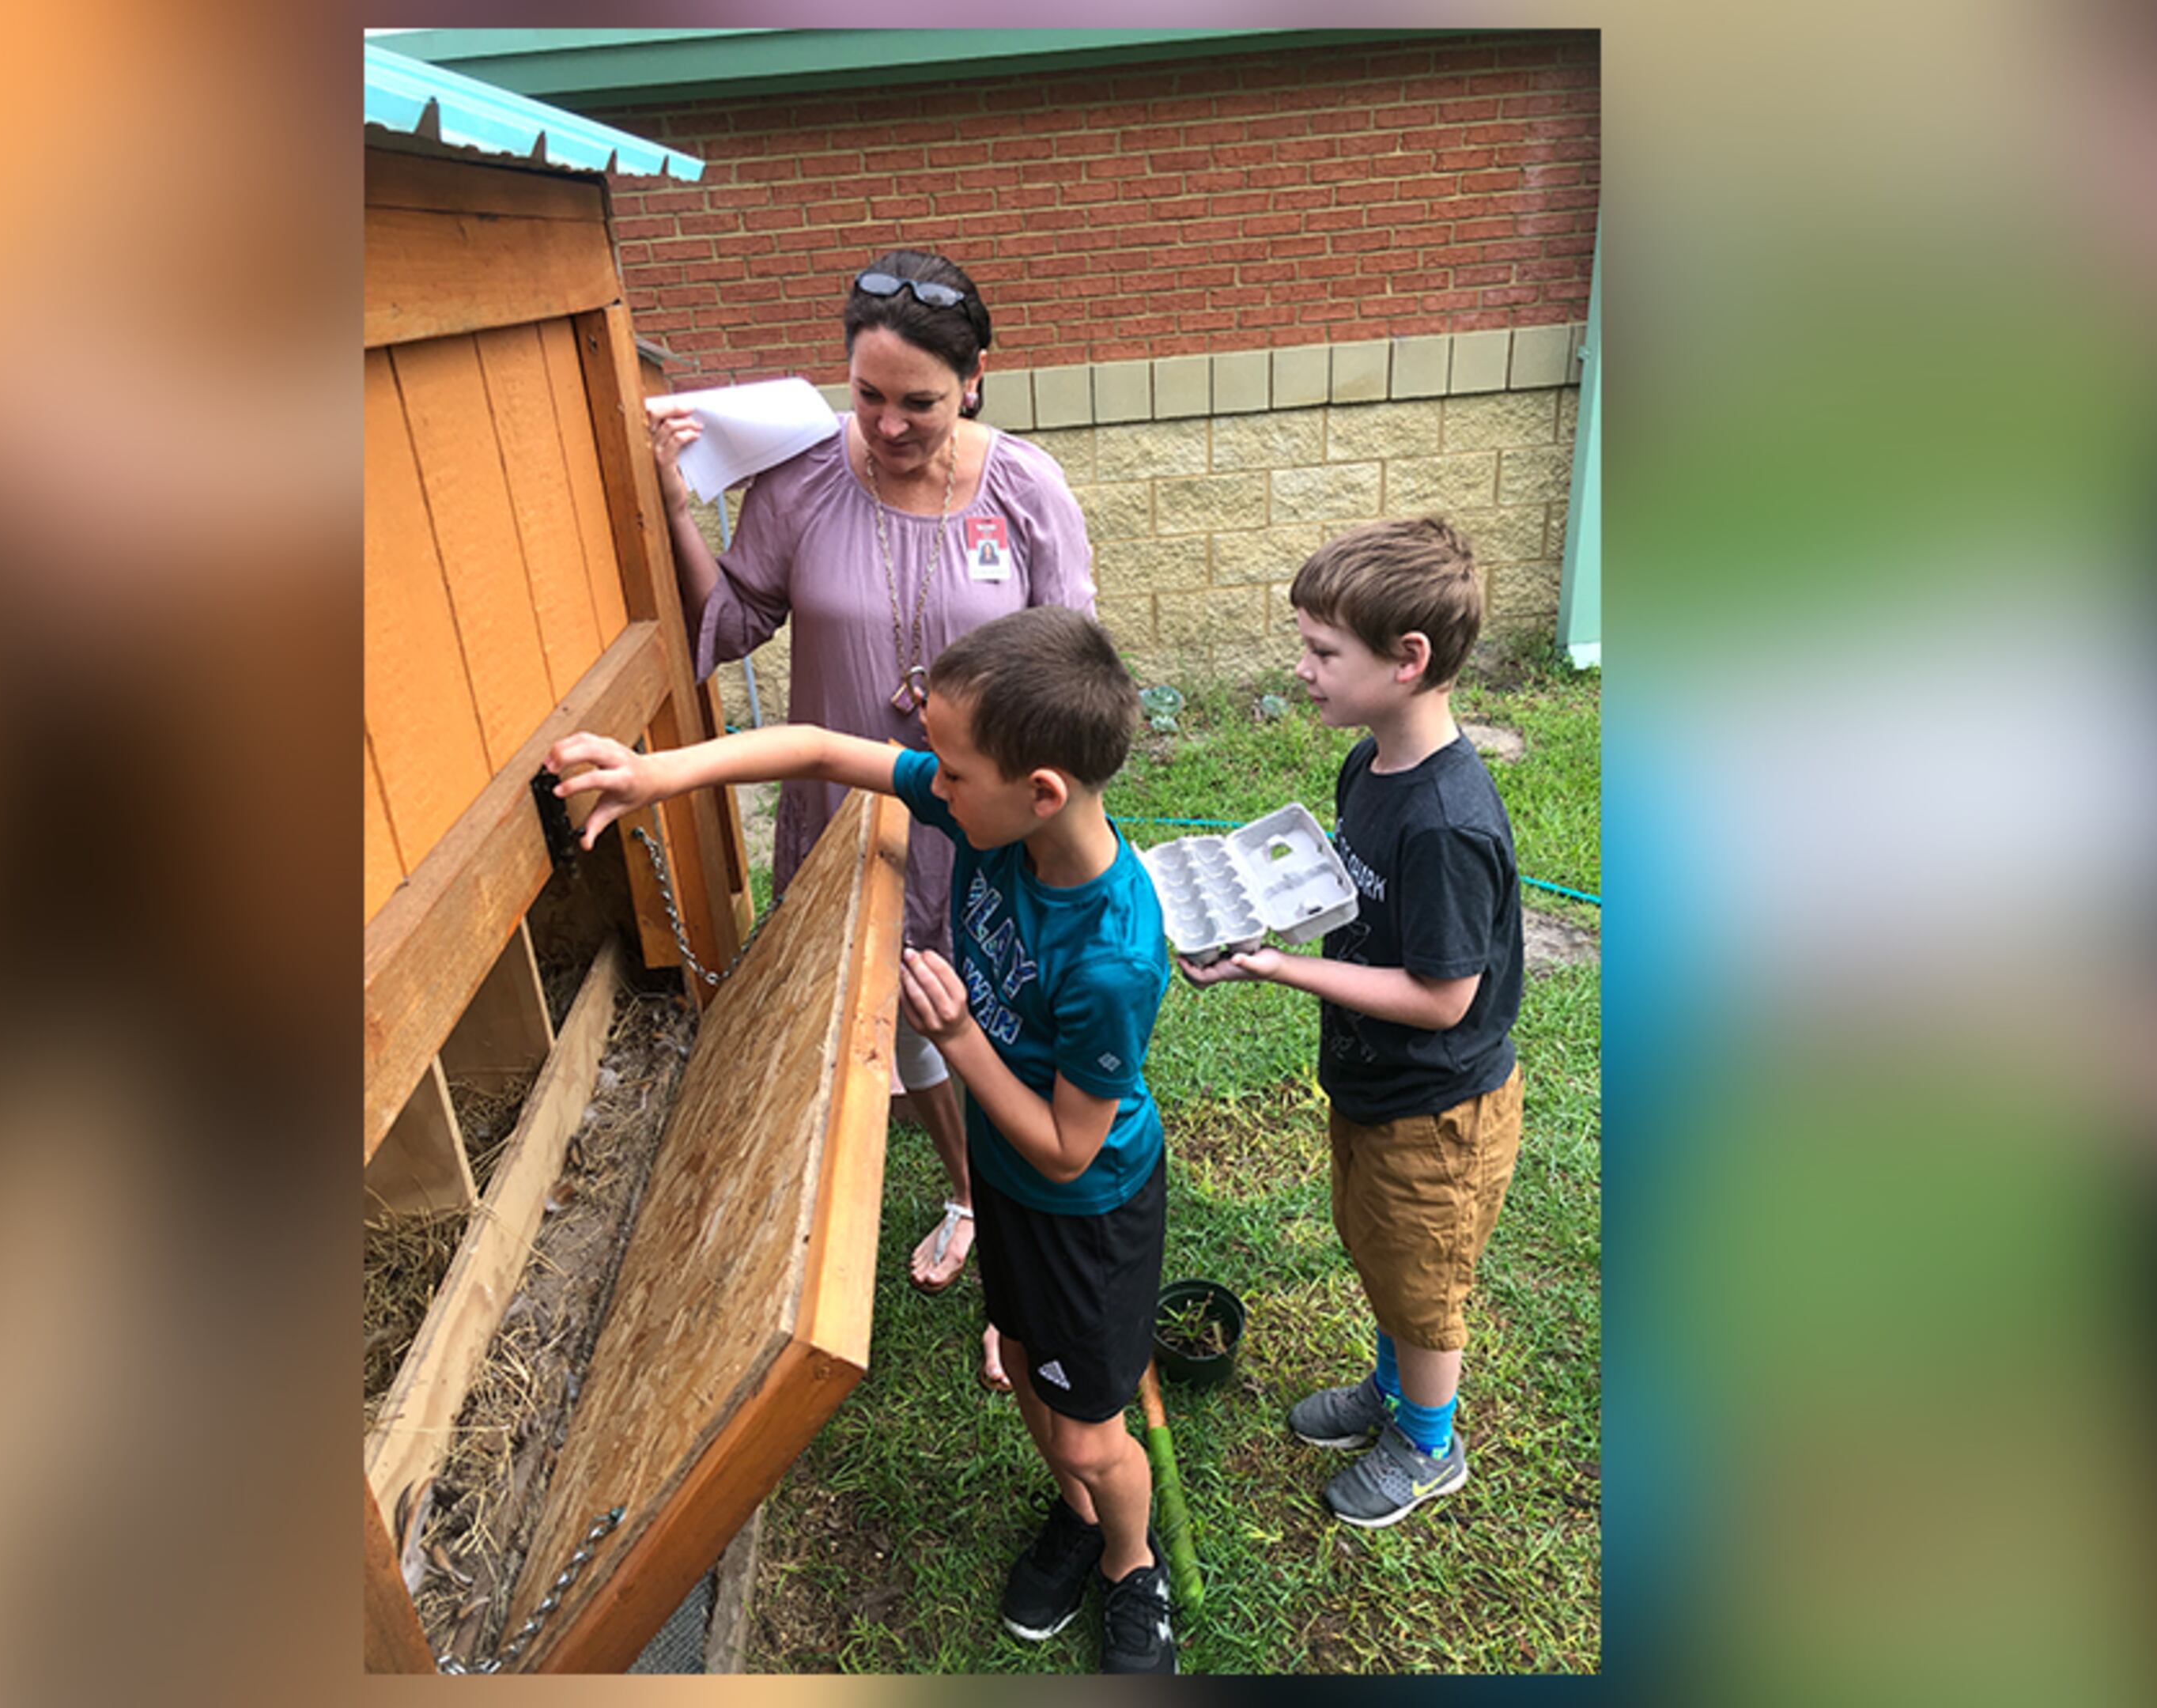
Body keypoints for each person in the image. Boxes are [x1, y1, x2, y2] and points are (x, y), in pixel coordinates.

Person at [546, 608, 1178, 1672]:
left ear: (1041, 794)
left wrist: (962, 1038)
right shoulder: (998, 809)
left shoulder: (1113, 954)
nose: (933, 778)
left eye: (954, 767)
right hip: (1017, 1187)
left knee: (1087, 1430)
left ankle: (1128, 1561)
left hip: (1090, 1210)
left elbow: (1072, 1146)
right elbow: (823, 748)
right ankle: (1075, 1512)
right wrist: (658, 776)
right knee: (1024, 1369)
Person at [645, 250, 1096, 1394]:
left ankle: (1028, 1241)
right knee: (892, 1017)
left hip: (985, 828)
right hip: (850, 809)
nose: (891, 426)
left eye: (921, 402)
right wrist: (672, 504)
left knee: (993, 1023)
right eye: (870, 397)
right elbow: (740, 617)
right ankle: (962, 1195)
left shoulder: (1026, 492)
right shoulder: (798, 482)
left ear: (977, 380)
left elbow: (1074, 670)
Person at [1178, 517, 1526, 1528]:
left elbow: (1445, 995)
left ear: (1408, 661)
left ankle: (1428, 1442)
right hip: (1375, 1087)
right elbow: (1345, 895)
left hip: (1439, 1111)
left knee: (1422, 1281)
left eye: (1324, 652)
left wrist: (1280, 968)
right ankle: (1392, 1393)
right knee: (1379, 1249)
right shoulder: (1369, 766)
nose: (1303, 670)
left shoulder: (1446, 822)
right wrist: (1259, 898)